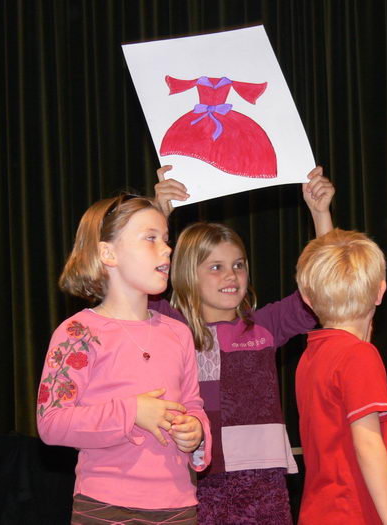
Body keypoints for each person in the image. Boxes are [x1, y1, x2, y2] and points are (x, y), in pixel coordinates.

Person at [150, 165, 334, 524]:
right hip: (198, 480)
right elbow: (132, 279)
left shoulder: (263, 327)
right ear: (187, 273)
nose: (231, 275)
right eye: (215, 267)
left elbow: (324, 290)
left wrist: (320, 213)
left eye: (238, 264)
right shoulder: (170, 327)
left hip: (266, 482)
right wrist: (159, 217)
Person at [36, 194, 211, 525]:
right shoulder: (77, 332)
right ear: (108, 253)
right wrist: (133, 412)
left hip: (179, 506)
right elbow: (52, 422)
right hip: (106, 506)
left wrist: (196, 431)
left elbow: (193, 404)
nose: (167, 249)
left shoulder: (178, 334)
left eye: (166, 239)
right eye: (150, 238)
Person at [294, 228, 387, 525]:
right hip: (354, 514)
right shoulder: (359, 355)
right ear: (381, 291)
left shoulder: (310, 356)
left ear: (307, 298)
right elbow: (367, 444)